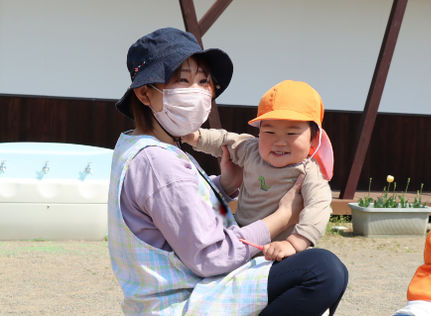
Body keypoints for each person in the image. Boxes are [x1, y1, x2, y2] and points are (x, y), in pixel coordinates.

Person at [108, 27, 348, 315]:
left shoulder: (140, 145)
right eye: (183, 81)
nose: (197, 92)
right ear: (146, 93)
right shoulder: (158, 162)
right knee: (322, 271)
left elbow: (170, 204)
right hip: (182, 299)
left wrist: (223, 184)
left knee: (322, 272)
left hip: (192, 285)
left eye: (203, 81)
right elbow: (211, 256)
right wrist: (283, 216)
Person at [183, 80, 334, 261]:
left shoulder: (308, 172)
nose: (279, 142)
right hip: (241, 237)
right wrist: (195, 136)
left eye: (291, 133)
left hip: (279, 249)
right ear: (259, 132)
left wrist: (295, 243)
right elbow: (224, 140)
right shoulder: (251, 150)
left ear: (313, 137)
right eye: (270, 132)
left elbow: (319, 207)